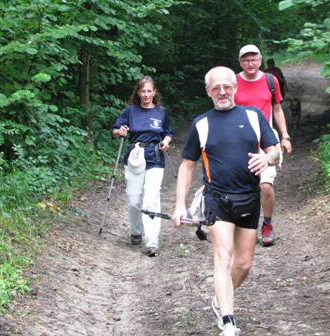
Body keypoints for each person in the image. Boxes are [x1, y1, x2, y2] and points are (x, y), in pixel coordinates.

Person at [172, 66, 282, 336]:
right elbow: (187, 165)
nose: (222, 91)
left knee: (243, 264)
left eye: (227, 86)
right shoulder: (202, 123)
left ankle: (220, 300)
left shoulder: (254, 117)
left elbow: (276, 151)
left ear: (236, 87)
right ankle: (229, 321)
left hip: (249, 198)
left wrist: (267, 158)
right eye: (215, 87)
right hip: (217, 198)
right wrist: (179, 204)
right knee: (223, 257)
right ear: (208, 91)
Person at [235, 44, 292, 247]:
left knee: (265, 186)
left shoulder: (270, 80)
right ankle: (241, 228)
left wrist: (284, 136)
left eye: (254, 59)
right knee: (242, 187)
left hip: (266, 141)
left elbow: (277, 109)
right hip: (239, 142)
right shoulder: (233, 82)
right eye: (246, 59)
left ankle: (267, 225)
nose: (251, 63)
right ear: (240, 62)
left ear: (260, 60)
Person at [112, 76, 174, 257]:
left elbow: (169, 132)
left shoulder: (161, 113)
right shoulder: (130, 111)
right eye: (143, 91)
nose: (146, 95)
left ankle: (152, 241)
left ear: (154, 92)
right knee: (134, 201)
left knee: (151, 199)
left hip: (155, 158)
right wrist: (120, 131)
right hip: (135, 158)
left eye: (149, 91)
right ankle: (136, 230)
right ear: (138, 93)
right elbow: (115, 130)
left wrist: (166, 141)